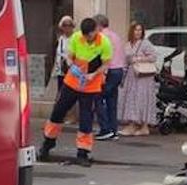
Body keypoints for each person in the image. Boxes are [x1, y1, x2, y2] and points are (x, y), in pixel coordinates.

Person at [39, 17, 112, 167]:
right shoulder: (76, 38)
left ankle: (83, 153)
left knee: (86, 119)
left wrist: (93, 74)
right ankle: (47, 144)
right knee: (58, 113)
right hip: (72, 83)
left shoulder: (104, 42)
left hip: (91, 86)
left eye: (89, 35)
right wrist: (73, 67)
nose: (87, 38)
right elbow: (69, 57)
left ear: (96, 31)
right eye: (85, 35)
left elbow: (106, 64)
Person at [118, 22, 159, 136]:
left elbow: (154, 56)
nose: (138, 32)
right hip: (132, 76)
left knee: (142, 99)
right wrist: (122, 77)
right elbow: (125, 62)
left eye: (140, 30)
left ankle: (142, 125)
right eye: (136, 30)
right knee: (131, 99)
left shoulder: (145, 43)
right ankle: (135, 124)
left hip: (143, 76)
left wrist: (139, 59)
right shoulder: (127, 45)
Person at [94, 14, 125, 141]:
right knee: (112, 101)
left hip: (109, 71)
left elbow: (102, 56)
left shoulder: (101, 37)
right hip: (119, 71)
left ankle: (105, 129)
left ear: (99, 25)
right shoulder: (116, 36)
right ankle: (113, 129)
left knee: (97, 98)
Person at [49, 16, 76, 93]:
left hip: (72, 69)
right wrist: (54, 69)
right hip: (61, 69)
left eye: (69, 25)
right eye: (65, 25)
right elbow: (58, 55)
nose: (67, 28)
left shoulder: (75, 38)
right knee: (61, 90)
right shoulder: (60, 39)